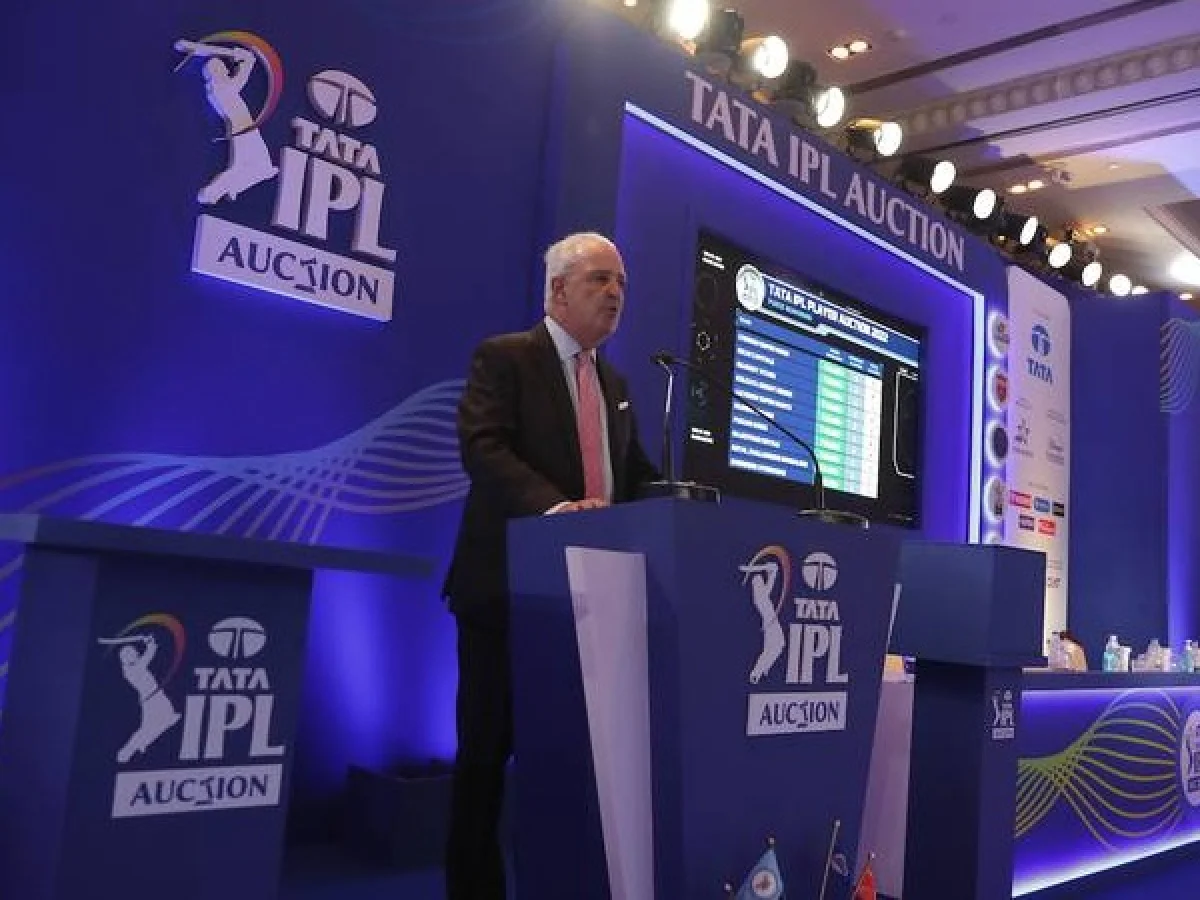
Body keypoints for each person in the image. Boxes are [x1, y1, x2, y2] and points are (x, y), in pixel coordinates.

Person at [442, 232, 660, 899]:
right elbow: (483, 448)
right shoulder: (507, 358)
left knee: (564, 763)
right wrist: (557, 508)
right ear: (559, 289)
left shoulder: (615, 385)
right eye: (600, 279)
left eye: (621, 282)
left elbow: (633, 475)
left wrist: (684, 504)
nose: (615, 293)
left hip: (587, 602)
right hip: (507, 594)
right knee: (484, 761)